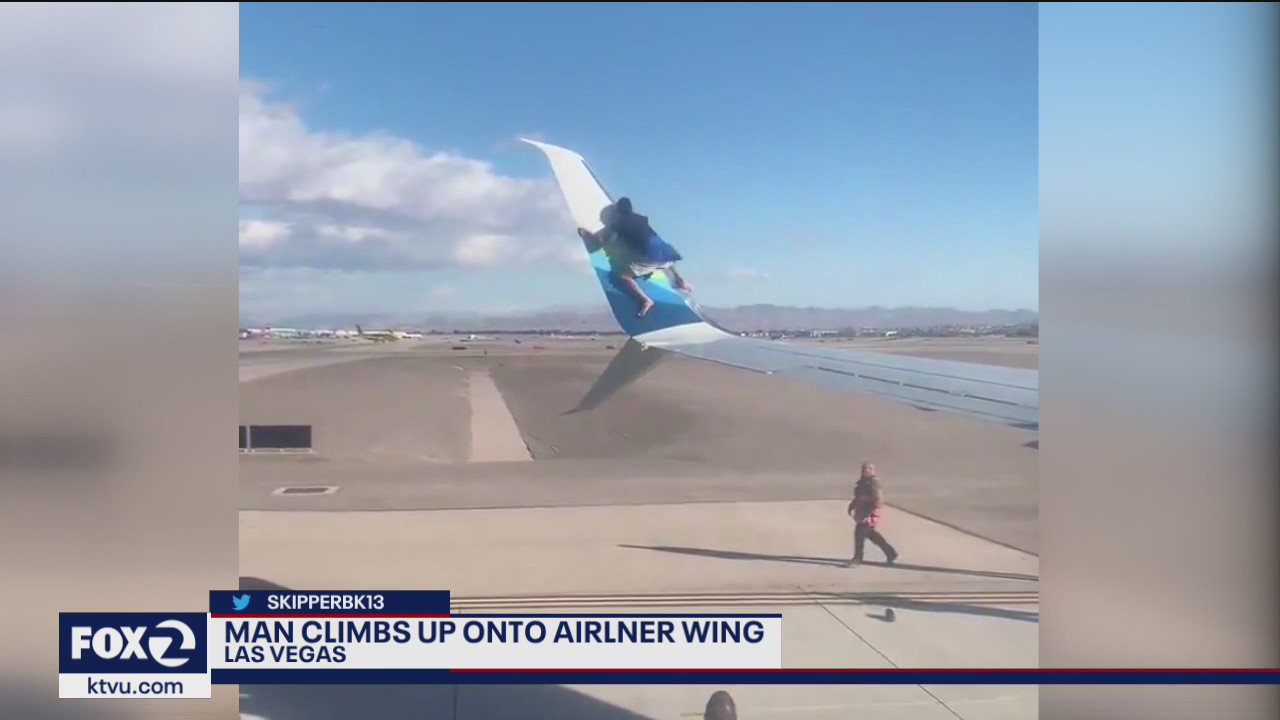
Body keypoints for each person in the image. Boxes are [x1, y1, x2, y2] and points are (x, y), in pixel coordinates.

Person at [578, 197, 692, 317]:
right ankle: (680, 281)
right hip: (667, 255)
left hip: (649, 260)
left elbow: (596, 246)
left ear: (617, 212)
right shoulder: (641, 220)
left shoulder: (617, 224)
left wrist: (585, 234)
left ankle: (644, 300)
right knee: (663, 255)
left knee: (621, 275)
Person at [847, 461, 898, 566]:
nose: (867, 470)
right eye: (865, 468)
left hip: (869, 512)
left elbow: (878, 498)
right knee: (872, 535)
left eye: (870, 468)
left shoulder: (874, 483)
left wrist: (874, 507)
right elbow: (858, 497)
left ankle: (857, 558)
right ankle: (891, 553)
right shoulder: (862, 482)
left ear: (873, 470)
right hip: (862, 512)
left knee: (859, 534)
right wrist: (852, 506)